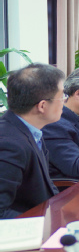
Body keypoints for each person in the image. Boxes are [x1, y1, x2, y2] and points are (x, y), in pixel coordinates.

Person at [0, 63, 64, 218]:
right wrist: (45, 224)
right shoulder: (10, 144)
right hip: (27, 228)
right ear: (42, 106)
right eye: (62, 96)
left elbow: (46, 187)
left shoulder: (30, 130)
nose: (64, 101)